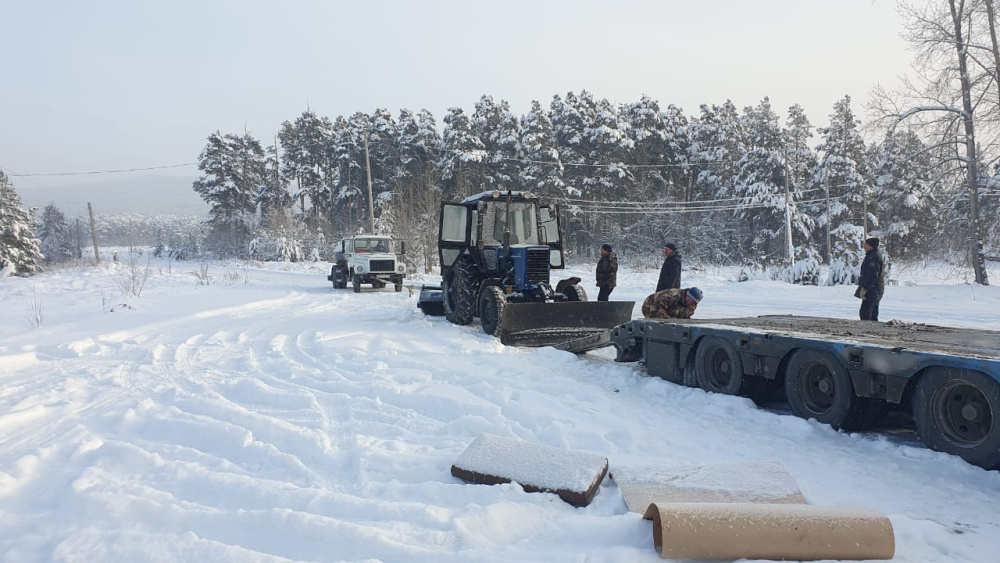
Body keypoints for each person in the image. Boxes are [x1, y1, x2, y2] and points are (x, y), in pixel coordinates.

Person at [855, 237, 885, 321]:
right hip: (875, 289)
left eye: (866, 244)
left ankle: (868, 328)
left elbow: (872, 275)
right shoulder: (873, 256)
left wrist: (865, 288)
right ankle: (873, 328)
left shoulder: (873, 257)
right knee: (872, 314)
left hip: (872, 290)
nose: (864, 246)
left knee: (865, 313)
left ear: (871, 246)